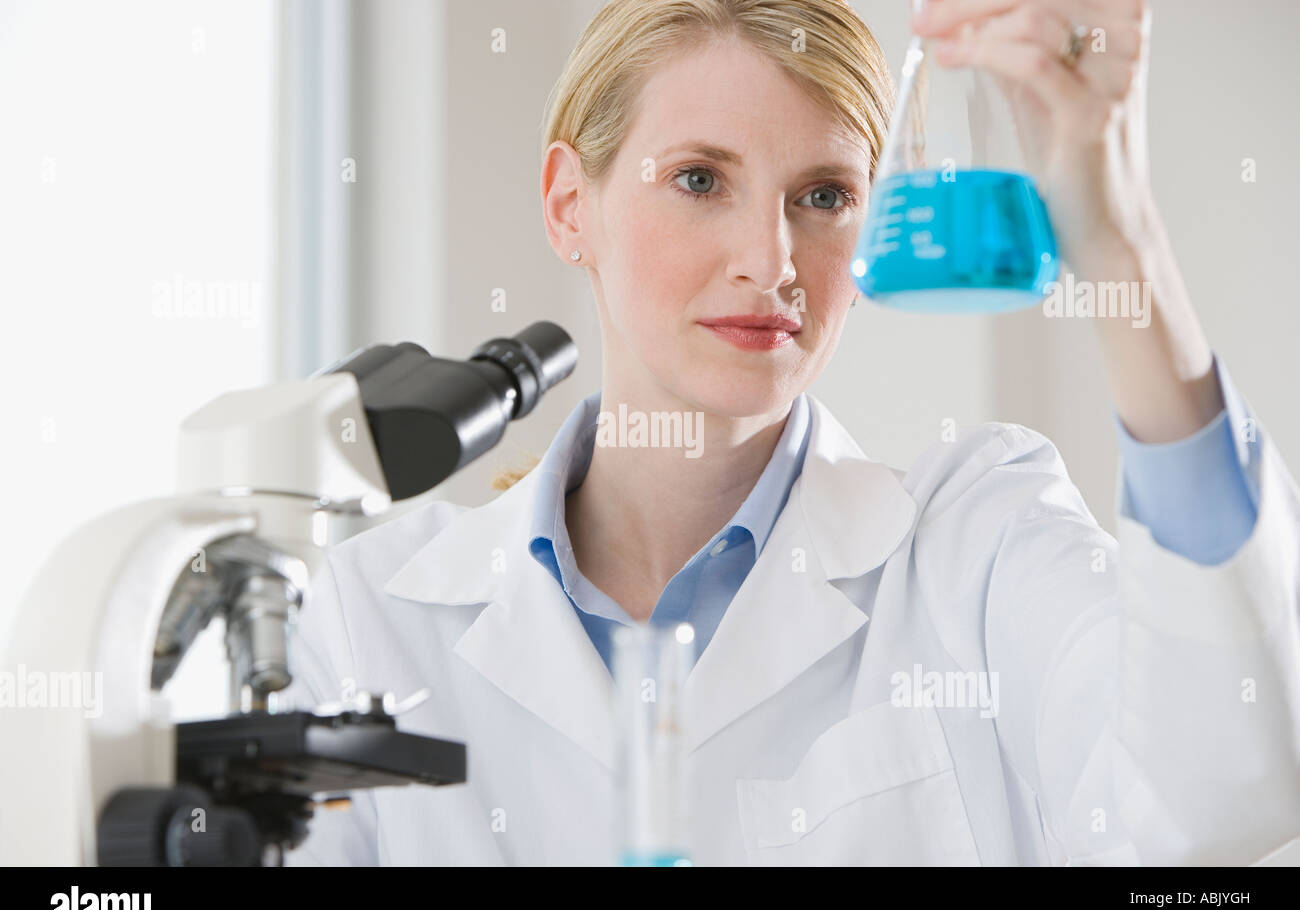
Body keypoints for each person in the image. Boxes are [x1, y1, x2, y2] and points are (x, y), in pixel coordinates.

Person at [283, 0, 1300, 865]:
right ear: (567, 204)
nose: (769, 259)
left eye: (823, 196)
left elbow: (1210, 790)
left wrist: (1115, 230)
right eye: (697, 178)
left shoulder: (974, 546)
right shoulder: (370, 616)